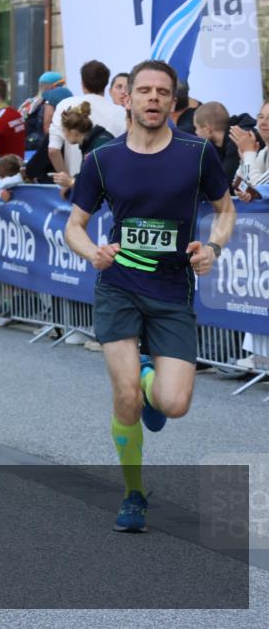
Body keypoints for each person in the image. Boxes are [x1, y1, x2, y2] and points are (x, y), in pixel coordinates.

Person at [64, 59, 236, 532]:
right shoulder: (103, 159)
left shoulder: (196, 154)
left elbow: (225, 210)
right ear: (129, 98)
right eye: (145, 91)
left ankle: (147, 378)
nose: (154, 98)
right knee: (125, 398)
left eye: (163, 92)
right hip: (119, 286)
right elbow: (74, 226)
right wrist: (94, 252)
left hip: (172, 289)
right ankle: (134, 492)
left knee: (173, 403)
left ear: (173, 100)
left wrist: (213, 247)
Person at [48, 60, 128, 177]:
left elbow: (53, 150)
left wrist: (67, 181)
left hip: (76, 181)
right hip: (109, 182)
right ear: (106, 85)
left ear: (82, 83)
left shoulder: (64, 105)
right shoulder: (122, 113)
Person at [50, 102, 115, 197]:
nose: (64, 135)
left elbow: (98, 184)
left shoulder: (97, 146)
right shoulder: (94, 142)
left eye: (64, 130)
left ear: (73, 132)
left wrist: (71, 182)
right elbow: (88, 175)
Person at [193, 101, 257, 181]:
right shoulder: (218, 145)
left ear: (207, 128)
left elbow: (224, 181)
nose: (196, 132)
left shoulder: (237, 140)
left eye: (196, 128)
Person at [18, 72, 71, 149]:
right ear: (53, 86)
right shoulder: (48, 102)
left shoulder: (32, 103)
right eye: (60, 85)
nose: (62, 88)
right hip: (41, 145)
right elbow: (47, 127)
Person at [232, 100, 269, 201]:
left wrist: (249, 153)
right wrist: (245, 158)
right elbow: (237, 184)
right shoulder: (264, 153)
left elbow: (257, 189)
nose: (263, 122)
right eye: (261, 117)